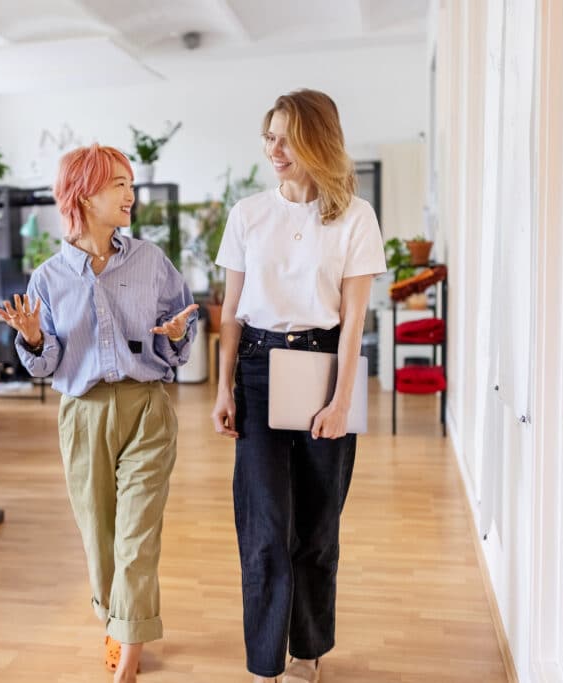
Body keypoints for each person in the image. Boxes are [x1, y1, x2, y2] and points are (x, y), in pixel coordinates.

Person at [0, 144, 198, 683]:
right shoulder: (48, 278)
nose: (130, 194)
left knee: (137, 537)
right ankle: (119, 623)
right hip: (83, 414)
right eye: (118, 184)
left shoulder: (151, 261)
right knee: (100, 538)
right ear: (82, 194)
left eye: (131, 183)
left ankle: (128, 656)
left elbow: (182, 328)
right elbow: (47, 363)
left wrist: (178, 333)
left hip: (147, 409)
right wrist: (35, 337)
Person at [210, 89, 386, 683]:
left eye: (286, 136)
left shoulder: (355, 217)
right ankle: (266, 665)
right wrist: (223, 388)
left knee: (317, 527)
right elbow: (231, 310)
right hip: (257, 369)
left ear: (318, 140)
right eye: (269, 135)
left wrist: (340, 400)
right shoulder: (247, 215)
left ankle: (309, 652)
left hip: (324, 369)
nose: (274, 148)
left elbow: (355, 320)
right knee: (263, 528)